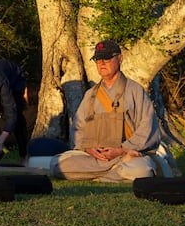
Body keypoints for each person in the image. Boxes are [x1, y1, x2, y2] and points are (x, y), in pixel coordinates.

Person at [56, 40, 159, 183]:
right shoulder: (90, 95)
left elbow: (148, 128)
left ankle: (97, 174)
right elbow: (78, 129)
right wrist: (88, 149)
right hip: (95, 158)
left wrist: (122, 150)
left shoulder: (135, 90)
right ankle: (113, 172)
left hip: (127, 155)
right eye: (98, 60)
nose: (102, 63)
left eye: (107, 59)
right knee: (59, 165)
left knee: (142, 170)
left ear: (120, 59)